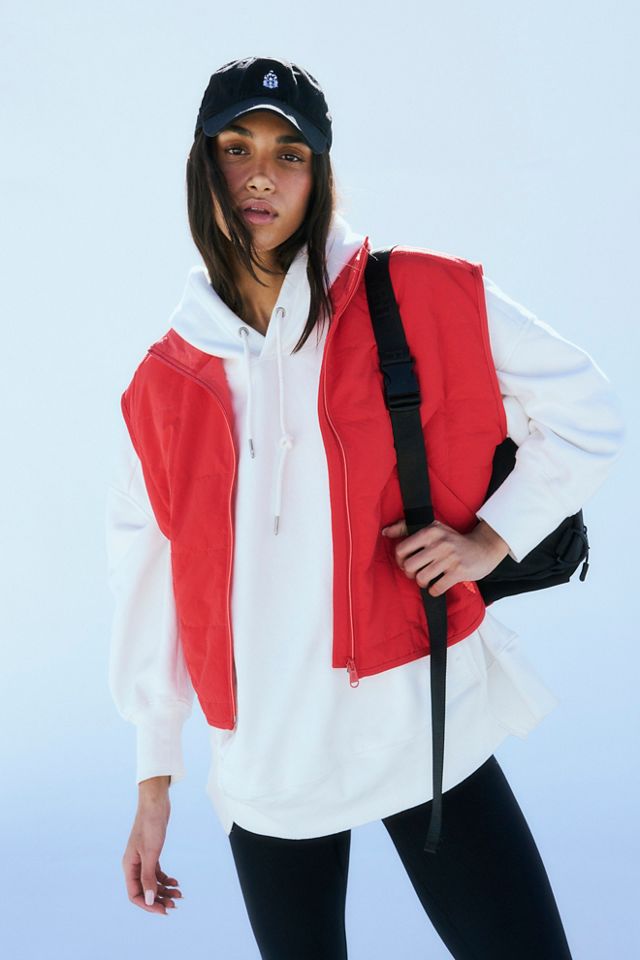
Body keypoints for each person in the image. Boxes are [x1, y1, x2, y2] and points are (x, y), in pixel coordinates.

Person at [106, 56, 625, 959]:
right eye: (236, 148)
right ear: (203, 166)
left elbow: (588, 410)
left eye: (289, 153)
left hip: (418, 715)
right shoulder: (164, 383)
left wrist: (490, 540)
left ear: (320, 176)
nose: (261, 175)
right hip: (269, 754)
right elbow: (147, 578)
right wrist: (155, 775)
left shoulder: (414, 292)